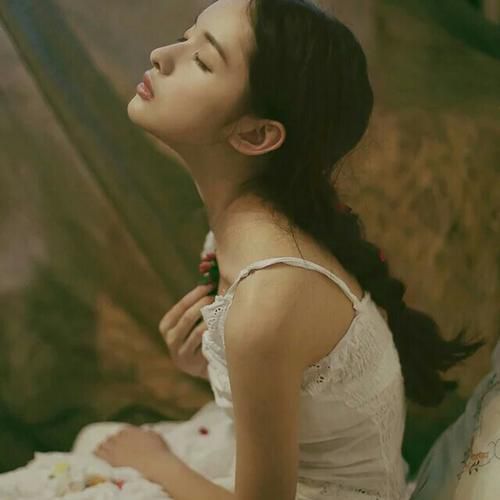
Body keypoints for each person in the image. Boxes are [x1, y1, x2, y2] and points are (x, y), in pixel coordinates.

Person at [0, 0, 485, 498]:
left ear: (256, 134)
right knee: (91, 447)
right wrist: (212, 366)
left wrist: (156, 464)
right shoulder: (243, 230)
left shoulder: (268, 295)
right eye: (186, 36)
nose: (161, 55)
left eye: (202, 60)